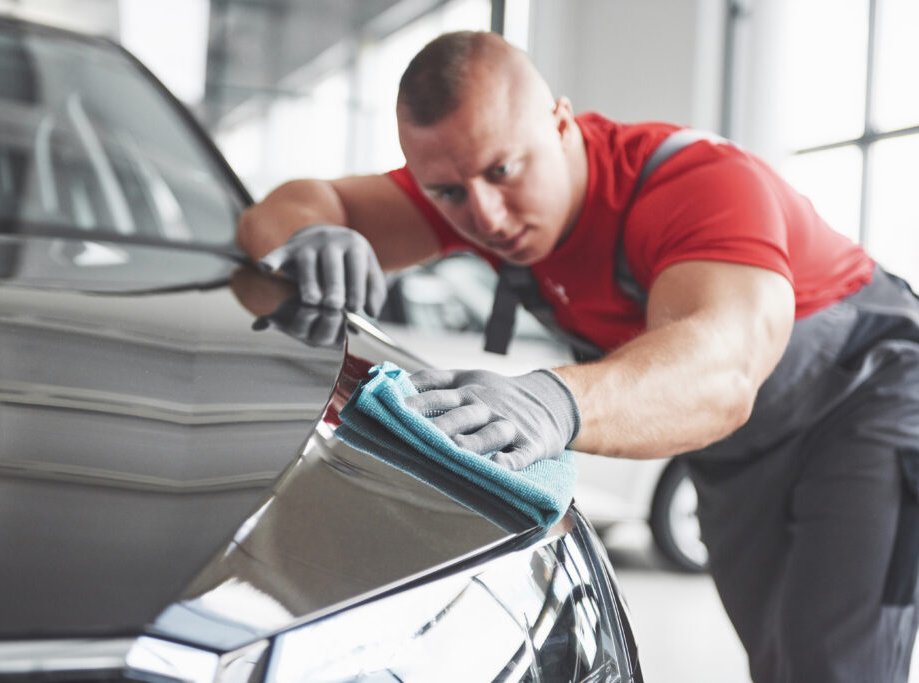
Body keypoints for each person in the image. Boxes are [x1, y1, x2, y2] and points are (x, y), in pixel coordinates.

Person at [236, 30, 919, 682]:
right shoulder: (469, 182)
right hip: (738, 454)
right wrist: (312, 235)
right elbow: (285, 207)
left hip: (867, 403)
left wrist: (554, 399)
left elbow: (724, 369)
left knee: (833, 667)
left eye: (504, 171)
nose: (486, 216)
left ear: (562, 123)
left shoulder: (696, 185)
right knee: (781, 661)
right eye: (447, 192)